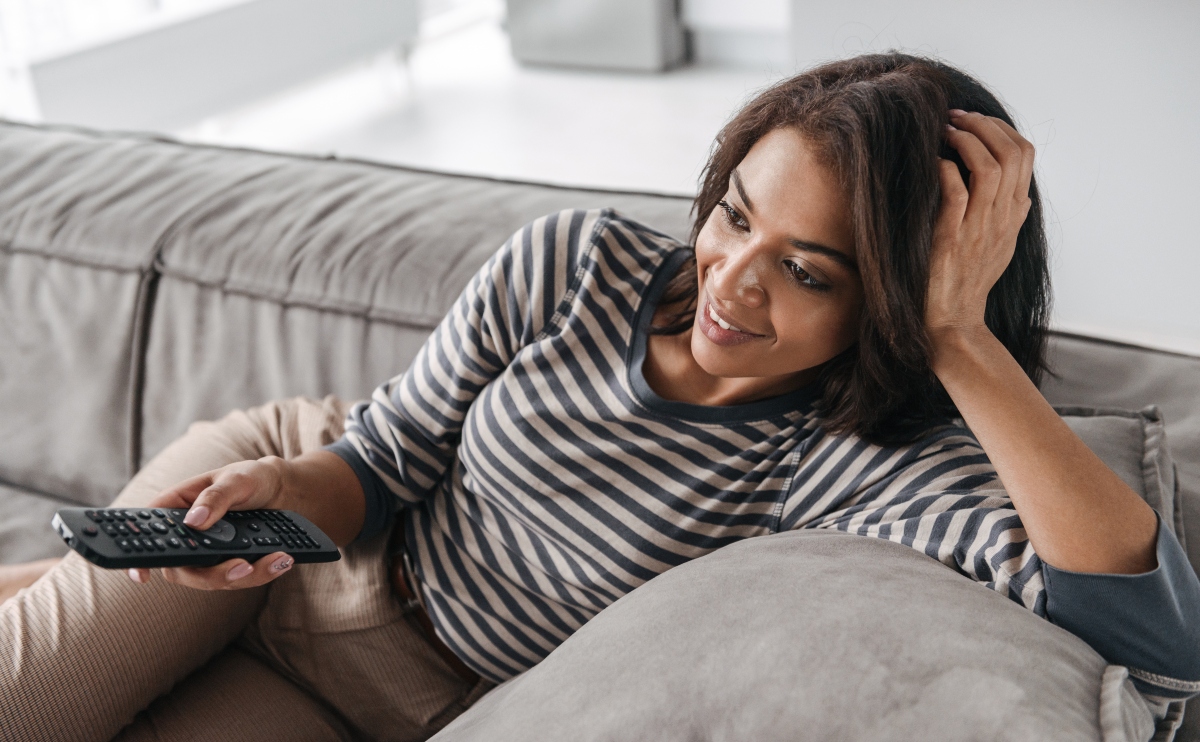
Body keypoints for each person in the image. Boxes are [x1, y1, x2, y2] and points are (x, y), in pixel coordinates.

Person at [3, 52, 1198, 740]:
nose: (731, 281)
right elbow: (381, 463)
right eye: (736, 214)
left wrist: (959, 335)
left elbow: (1157, 640)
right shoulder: (578, 264)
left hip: (389, 699)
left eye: (808, 270)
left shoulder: (848, 459)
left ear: (889, 303)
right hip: (295, 527)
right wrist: (276, 494)